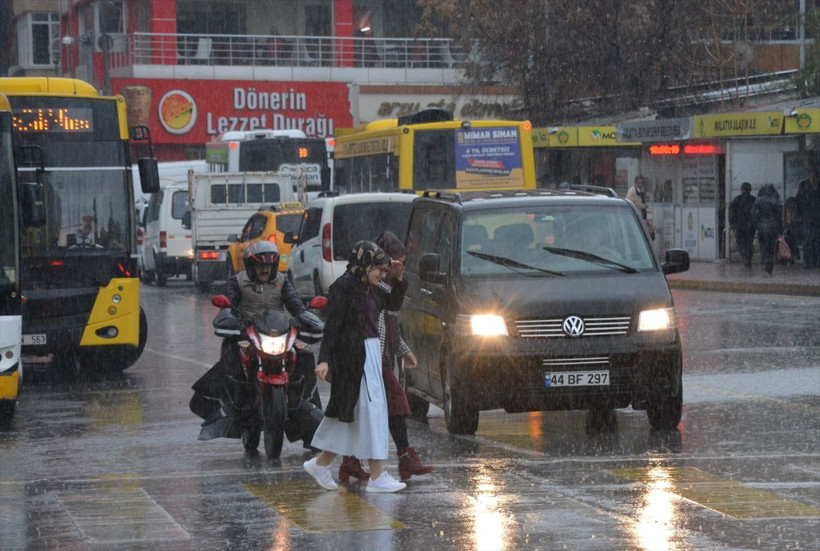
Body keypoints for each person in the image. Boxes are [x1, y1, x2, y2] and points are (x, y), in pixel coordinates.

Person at [303, 241, 408, 493]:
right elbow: (333, 326)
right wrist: (325, 360)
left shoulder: (370, 288)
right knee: (368, 414)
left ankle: (321, 464)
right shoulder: (343, 288)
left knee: (353, 418)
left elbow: (393, 303)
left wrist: (398, 279)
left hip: (369, 354)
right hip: (352, 359)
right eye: (378, 270)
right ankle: (377, 475)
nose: (380, 275)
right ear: (365, 264)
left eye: (383, 272)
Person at [338, 232, 434, 483]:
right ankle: (395, 461)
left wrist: (404, 350)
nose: (393, 269)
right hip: (366, 357)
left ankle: (352, 461)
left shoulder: (380, 287)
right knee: (389, 402)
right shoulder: (366, 287)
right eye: (392, 264)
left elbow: (390, 316)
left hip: (377, 356)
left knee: (369, 408)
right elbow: (388, 307)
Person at [751, 184, 783, 275]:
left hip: (762, 226)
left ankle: (766, 259)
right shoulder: (775, 200)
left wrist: (758, 219)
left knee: (763, 245)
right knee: (771, 245)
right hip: (773, 226)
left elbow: (753, 213)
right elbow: (779, 216)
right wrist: (781, 228)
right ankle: (770, 261)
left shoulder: (759, 200)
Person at [796, 167, 820, 269]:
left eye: (815, 176)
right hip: (807, 218)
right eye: (812, 176)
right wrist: (798, 216)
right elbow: (798, 202)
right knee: (808, 240)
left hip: (817, 218)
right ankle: (808, 262)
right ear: (809, 176)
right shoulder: (803, 187)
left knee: (817, 241)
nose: (814, 178)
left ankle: (817, 261)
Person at [728, 182, 756, 268]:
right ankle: (748, 258)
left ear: (741, 190)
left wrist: (733, 225)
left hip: (740, 227)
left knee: (741, 244)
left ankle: (745, 256)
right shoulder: (754, 200)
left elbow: (731, 213)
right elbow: (756, 214)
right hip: (750, 227)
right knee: (749, 243)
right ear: (750, 190)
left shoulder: (737, 199)